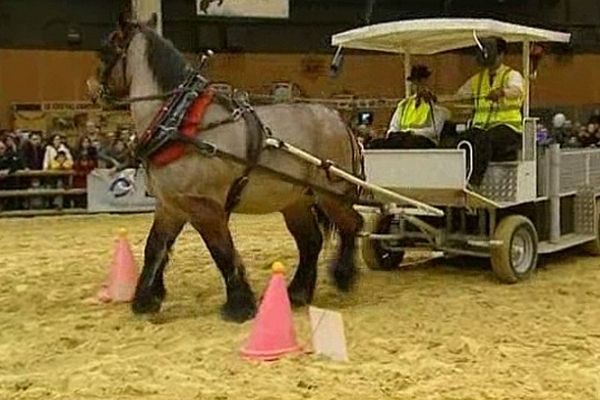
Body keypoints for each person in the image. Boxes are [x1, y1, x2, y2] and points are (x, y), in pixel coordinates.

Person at [455, 36, 525, 186]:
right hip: (481, 128)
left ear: (501, 55)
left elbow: (516, 91)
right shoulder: (477, 79)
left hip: (508, 129)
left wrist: (502, 92)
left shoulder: (511, 75)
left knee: (483, 139)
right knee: (460, 140)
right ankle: (454, 180)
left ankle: (474, 183)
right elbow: (459, 95)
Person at [367, 65, 448, 149]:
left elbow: (434, 131)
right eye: (415, 83)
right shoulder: (404, 104)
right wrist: (402, 134)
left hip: (423, 141)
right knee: (376, 144)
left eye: (421, 82)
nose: (417, 86)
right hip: (402, 139)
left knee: (410, 142)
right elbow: (393, 127)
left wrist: (411, 132)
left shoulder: (437, 106)